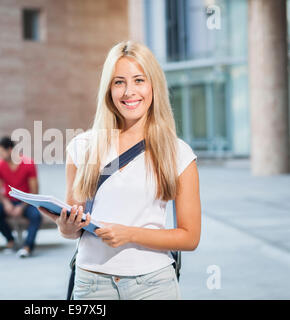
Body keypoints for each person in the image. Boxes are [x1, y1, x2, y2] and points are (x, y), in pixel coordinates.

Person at [38, 40, 201, 300]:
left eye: (139, 80)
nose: (129, 92)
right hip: (91, 284)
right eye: (119, 82)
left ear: (153, 86)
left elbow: (190, 237)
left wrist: (129, 234)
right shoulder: (82, 147)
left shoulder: (178, 153)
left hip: (153, 285)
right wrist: (65, 225)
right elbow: (72, 230)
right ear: (108, 90)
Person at [0, 136, 42, 258]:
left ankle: (27, 246)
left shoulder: (28, 163)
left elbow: (34, 191)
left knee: (36, 216)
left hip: (27, 201)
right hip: (9, 201)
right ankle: (10, 240)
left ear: (10, 150)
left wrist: (22, 207)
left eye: (1, 152)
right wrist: (6, 203)